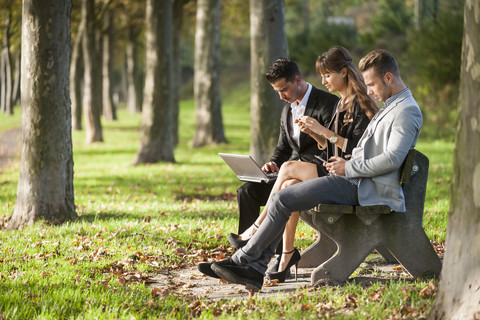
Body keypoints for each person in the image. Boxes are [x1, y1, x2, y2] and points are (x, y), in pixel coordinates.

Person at [199, 49, 423, 292]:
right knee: (284, 195)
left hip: (363, 186)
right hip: (353, 179)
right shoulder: (392, 106)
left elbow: (392, 159)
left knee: (284, 197)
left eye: (371, 84)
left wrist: (348, 166)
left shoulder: (406, 111)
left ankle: (247, 263)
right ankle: (249, 265)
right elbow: (365, 150)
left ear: (388, 78)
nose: (368, 90)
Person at [228, 46, 378, 283]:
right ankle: (285, 255)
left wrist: (322, 131)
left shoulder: (346, 104)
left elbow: (358, 150)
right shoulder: (337, 104)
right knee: (277, 186)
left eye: (328, 75)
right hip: (324, 170)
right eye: (323, 76)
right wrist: (317, 137)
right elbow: (306, 148)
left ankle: (255, 230)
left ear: (344, 73)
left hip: (342, 176)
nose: (324, 81)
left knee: (289, 169)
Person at [232, 59, 339, 247]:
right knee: (247, 191)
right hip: (289, 173)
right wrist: (273, 163)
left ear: (298, 80)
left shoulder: (327, 103)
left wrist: (315, 132)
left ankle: (260, 244)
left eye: (284, 90)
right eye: (277, 92)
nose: (281, 96)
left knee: (285, 188)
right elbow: (283, 149)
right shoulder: (287, 110)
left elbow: (334, 146)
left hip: (317, 175)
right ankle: (246, 250)